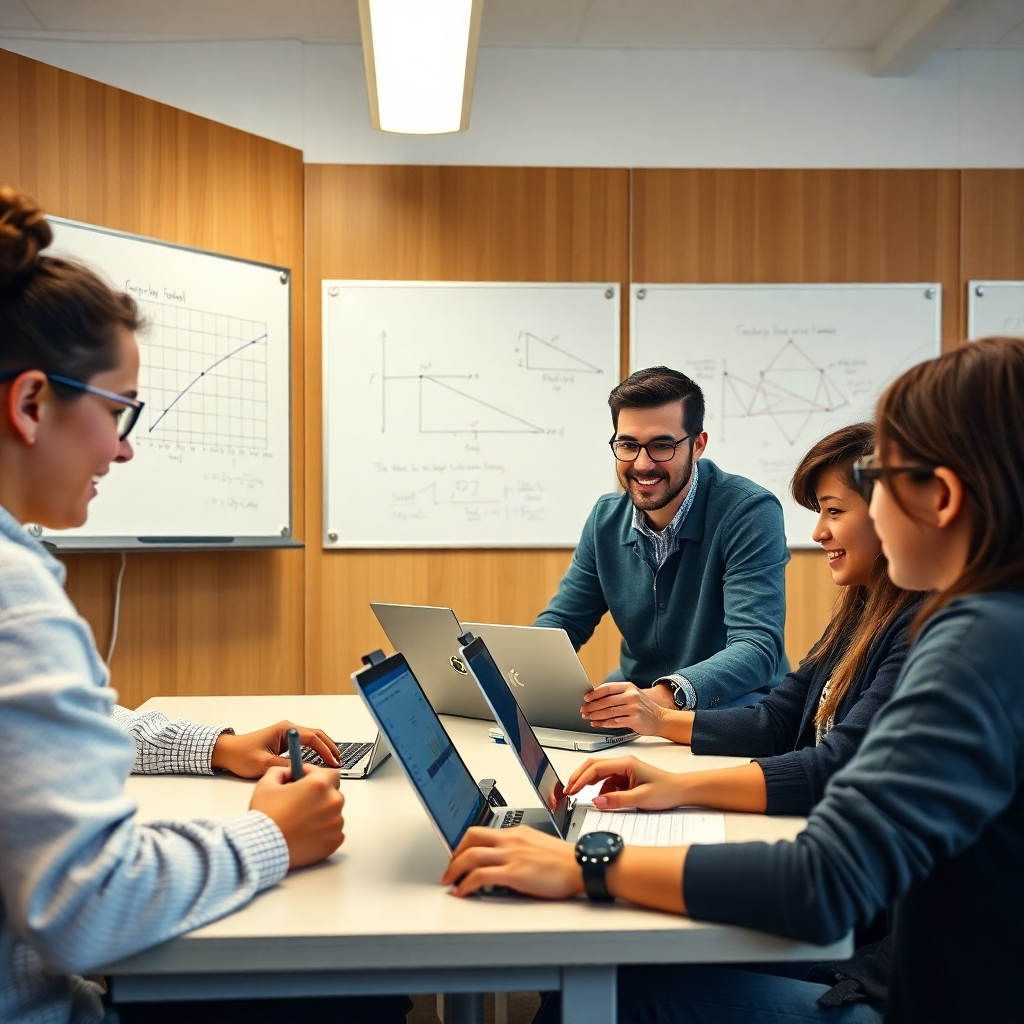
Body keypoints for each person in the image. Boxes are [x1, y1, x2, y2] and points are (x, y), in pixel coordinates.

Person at [445, 336, 1024, 1023]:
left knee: (622, 989)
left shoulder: (972, 643)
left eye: (877, 479)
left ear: (943, 496)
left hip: (899, 990)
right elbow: (792, 724)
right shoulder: (982, 622)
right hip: (909, 962)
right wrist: (670, 775)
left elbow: (823, 879)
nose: (823, 529)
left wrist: (586, 866)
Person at [0, 188, 409, 1024]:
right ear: (33, 403)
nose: (123, 445)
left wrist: (212, 747)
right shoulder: (15, 599)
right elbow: (89, 908)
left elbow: (58, 736)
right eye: (117, 411)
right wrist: (269, 839)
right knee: (361, 997)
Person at [572, 422, 924, 817]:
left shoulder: (920, 631)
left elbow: (833, 768)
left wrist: (678, 786)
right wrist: (656, 719)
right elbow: (775, 723)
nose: (818, 532)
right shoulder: (861, 613)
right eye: (628, 444)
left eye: (835, 511)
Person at [536, 365, 790, 716]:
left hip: (735, 702)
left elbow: (756, 649)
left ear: (697, 445)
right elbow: (564, 622)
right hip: (641, 695)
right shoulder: (606, 519)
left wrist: (662, 698)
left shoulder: (749, 512)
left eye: (661, 445)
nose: (642, 464)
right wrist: (514, 674)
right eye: (627, 445)